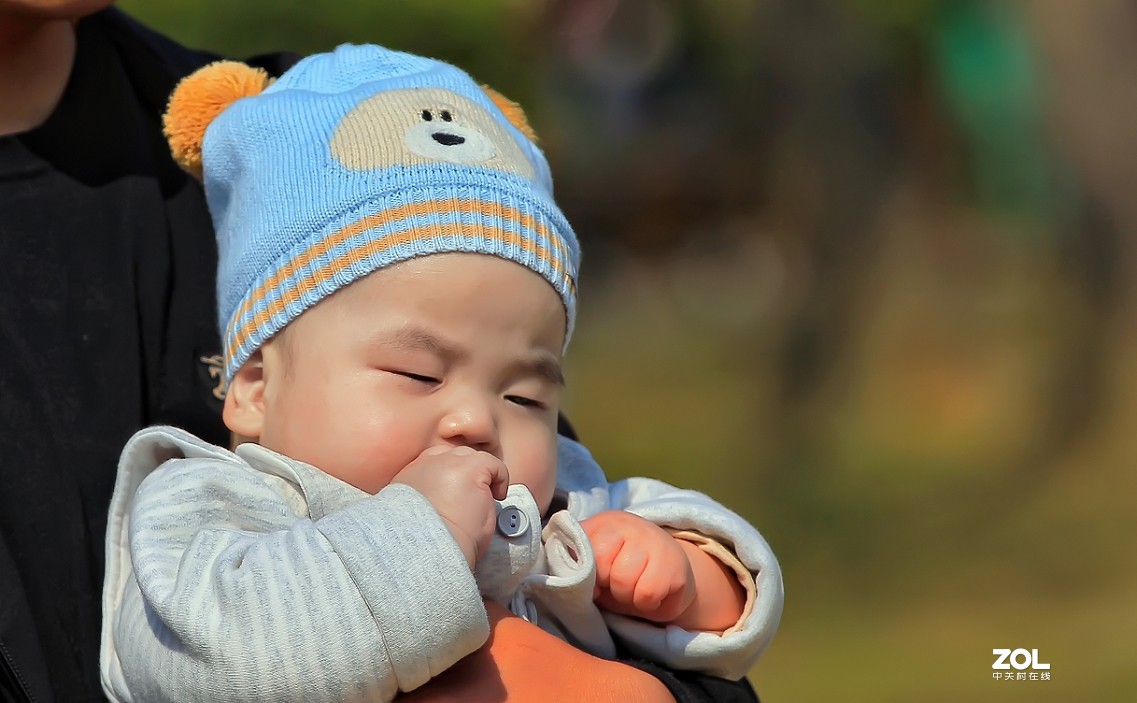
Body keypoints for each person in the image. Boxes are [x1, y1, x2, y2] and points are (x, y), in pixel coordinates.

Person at [0, 3, 772, 701]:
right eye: (418, 373)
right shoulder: (216, 510)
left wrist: (689, 577)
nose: (475, 419)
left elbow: (703, 583)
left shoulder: (536, 499)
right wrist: (420, 539)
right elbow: (209, 658)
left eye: (525, 394)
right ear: (255, 385)